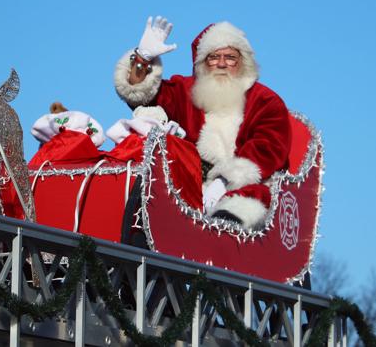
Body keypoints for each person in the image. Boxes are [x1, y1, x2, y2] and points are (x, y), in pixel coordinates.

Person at [114, 17, 292, 229]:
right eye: (214, 57)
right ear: (202, 63)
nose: (222, 63)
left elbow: (267, 148)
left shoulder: (265, 100)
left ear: (242, 62)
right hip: (186, 184)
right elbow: (143, 97)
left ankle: (223, 235)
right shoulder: (185, 91)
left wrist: (223, 181)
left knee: (250, 201)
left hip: (244, 186)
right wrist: (142, 60)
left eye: (231, 58)